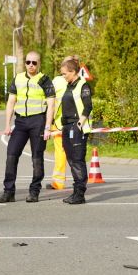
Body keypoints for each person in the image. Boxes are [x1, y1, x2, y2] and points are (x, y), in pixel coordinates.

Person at [0, 51, 56, 203]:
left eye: (34, 63)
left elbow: (51, 104)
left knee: (37, 157)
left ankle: (34, 191)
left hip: (38, 121)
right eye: (28, 62)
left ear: (38, 63)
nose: (31, 65)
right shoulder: (18, 78)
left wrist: (48, 127)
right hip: (21, 122)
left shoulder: (44, 79)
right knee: (11, 154)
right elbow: (10, 102)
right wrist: (7, 125)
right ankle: (9, 192)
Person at [54, 57, 92, 204]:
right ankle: (75, 191)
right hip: (66, 126)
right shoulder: (69, 86)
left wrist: (79, 124)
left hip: (77, 128)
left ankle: (80, 194)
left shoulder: (83, 85)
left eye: (64, 74)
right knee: (71, 160)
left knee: (77, 160)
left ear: (73, 71)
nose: (63, 76)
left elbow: (88, 106)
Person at [46, 55, 77, 191]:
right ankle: (79, 180)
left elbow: (49, 102)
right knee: (75, 152)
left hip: (59, 124)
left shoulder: (57, 81)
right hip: (75, 123)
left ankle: (58, 182)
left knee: (61, 152)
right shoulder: (79, 82)